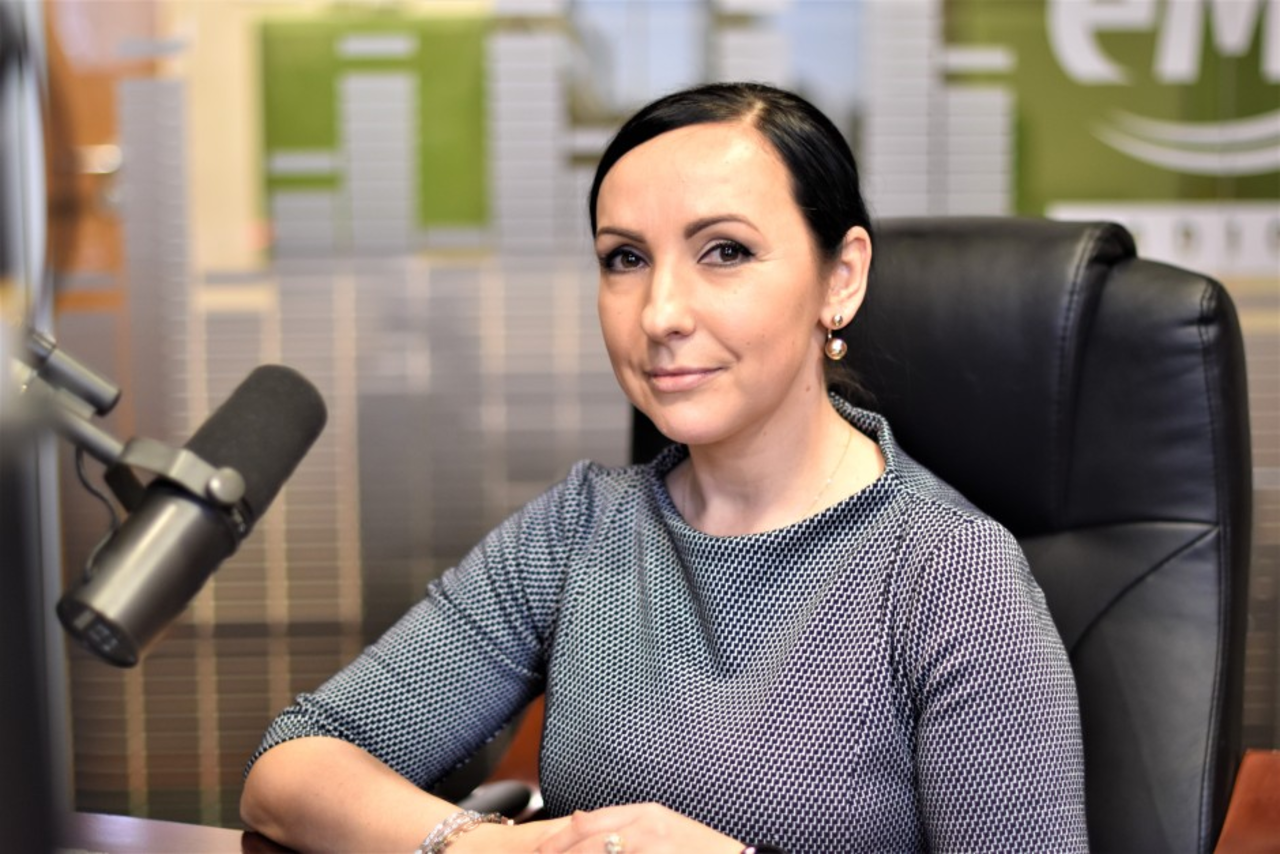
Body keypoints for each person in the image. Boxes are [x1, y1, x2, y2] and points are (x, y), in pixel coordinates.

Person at [240, 82, 1088, 854]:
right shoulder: (581, 527)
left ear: (841, 278)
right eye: (626, 258)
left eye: (725, 251)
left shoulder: (952, 574)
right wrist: (496, 849)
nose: (660, 313)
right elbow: (293, 767)